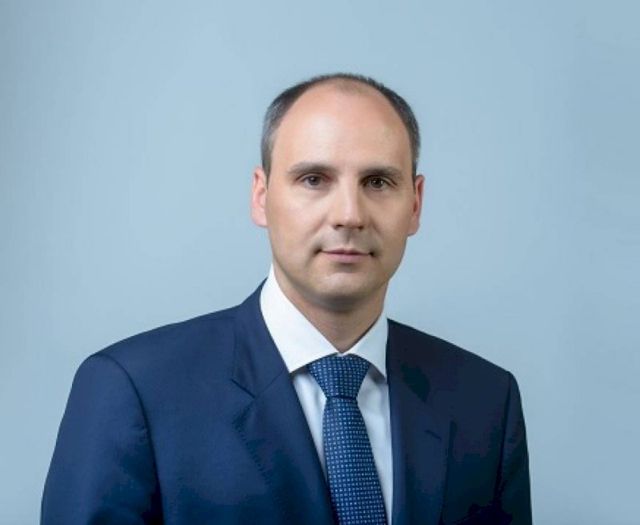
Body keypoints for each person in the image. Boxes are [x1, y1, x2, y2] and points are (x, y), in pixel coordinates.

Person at [42, 73, 531, 525]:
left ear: (416, 204)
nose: (349, 214)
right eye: (314, 179)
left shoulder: (486, 401)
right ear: (261, 196)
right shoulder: (134, 391)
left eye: (378, 182)